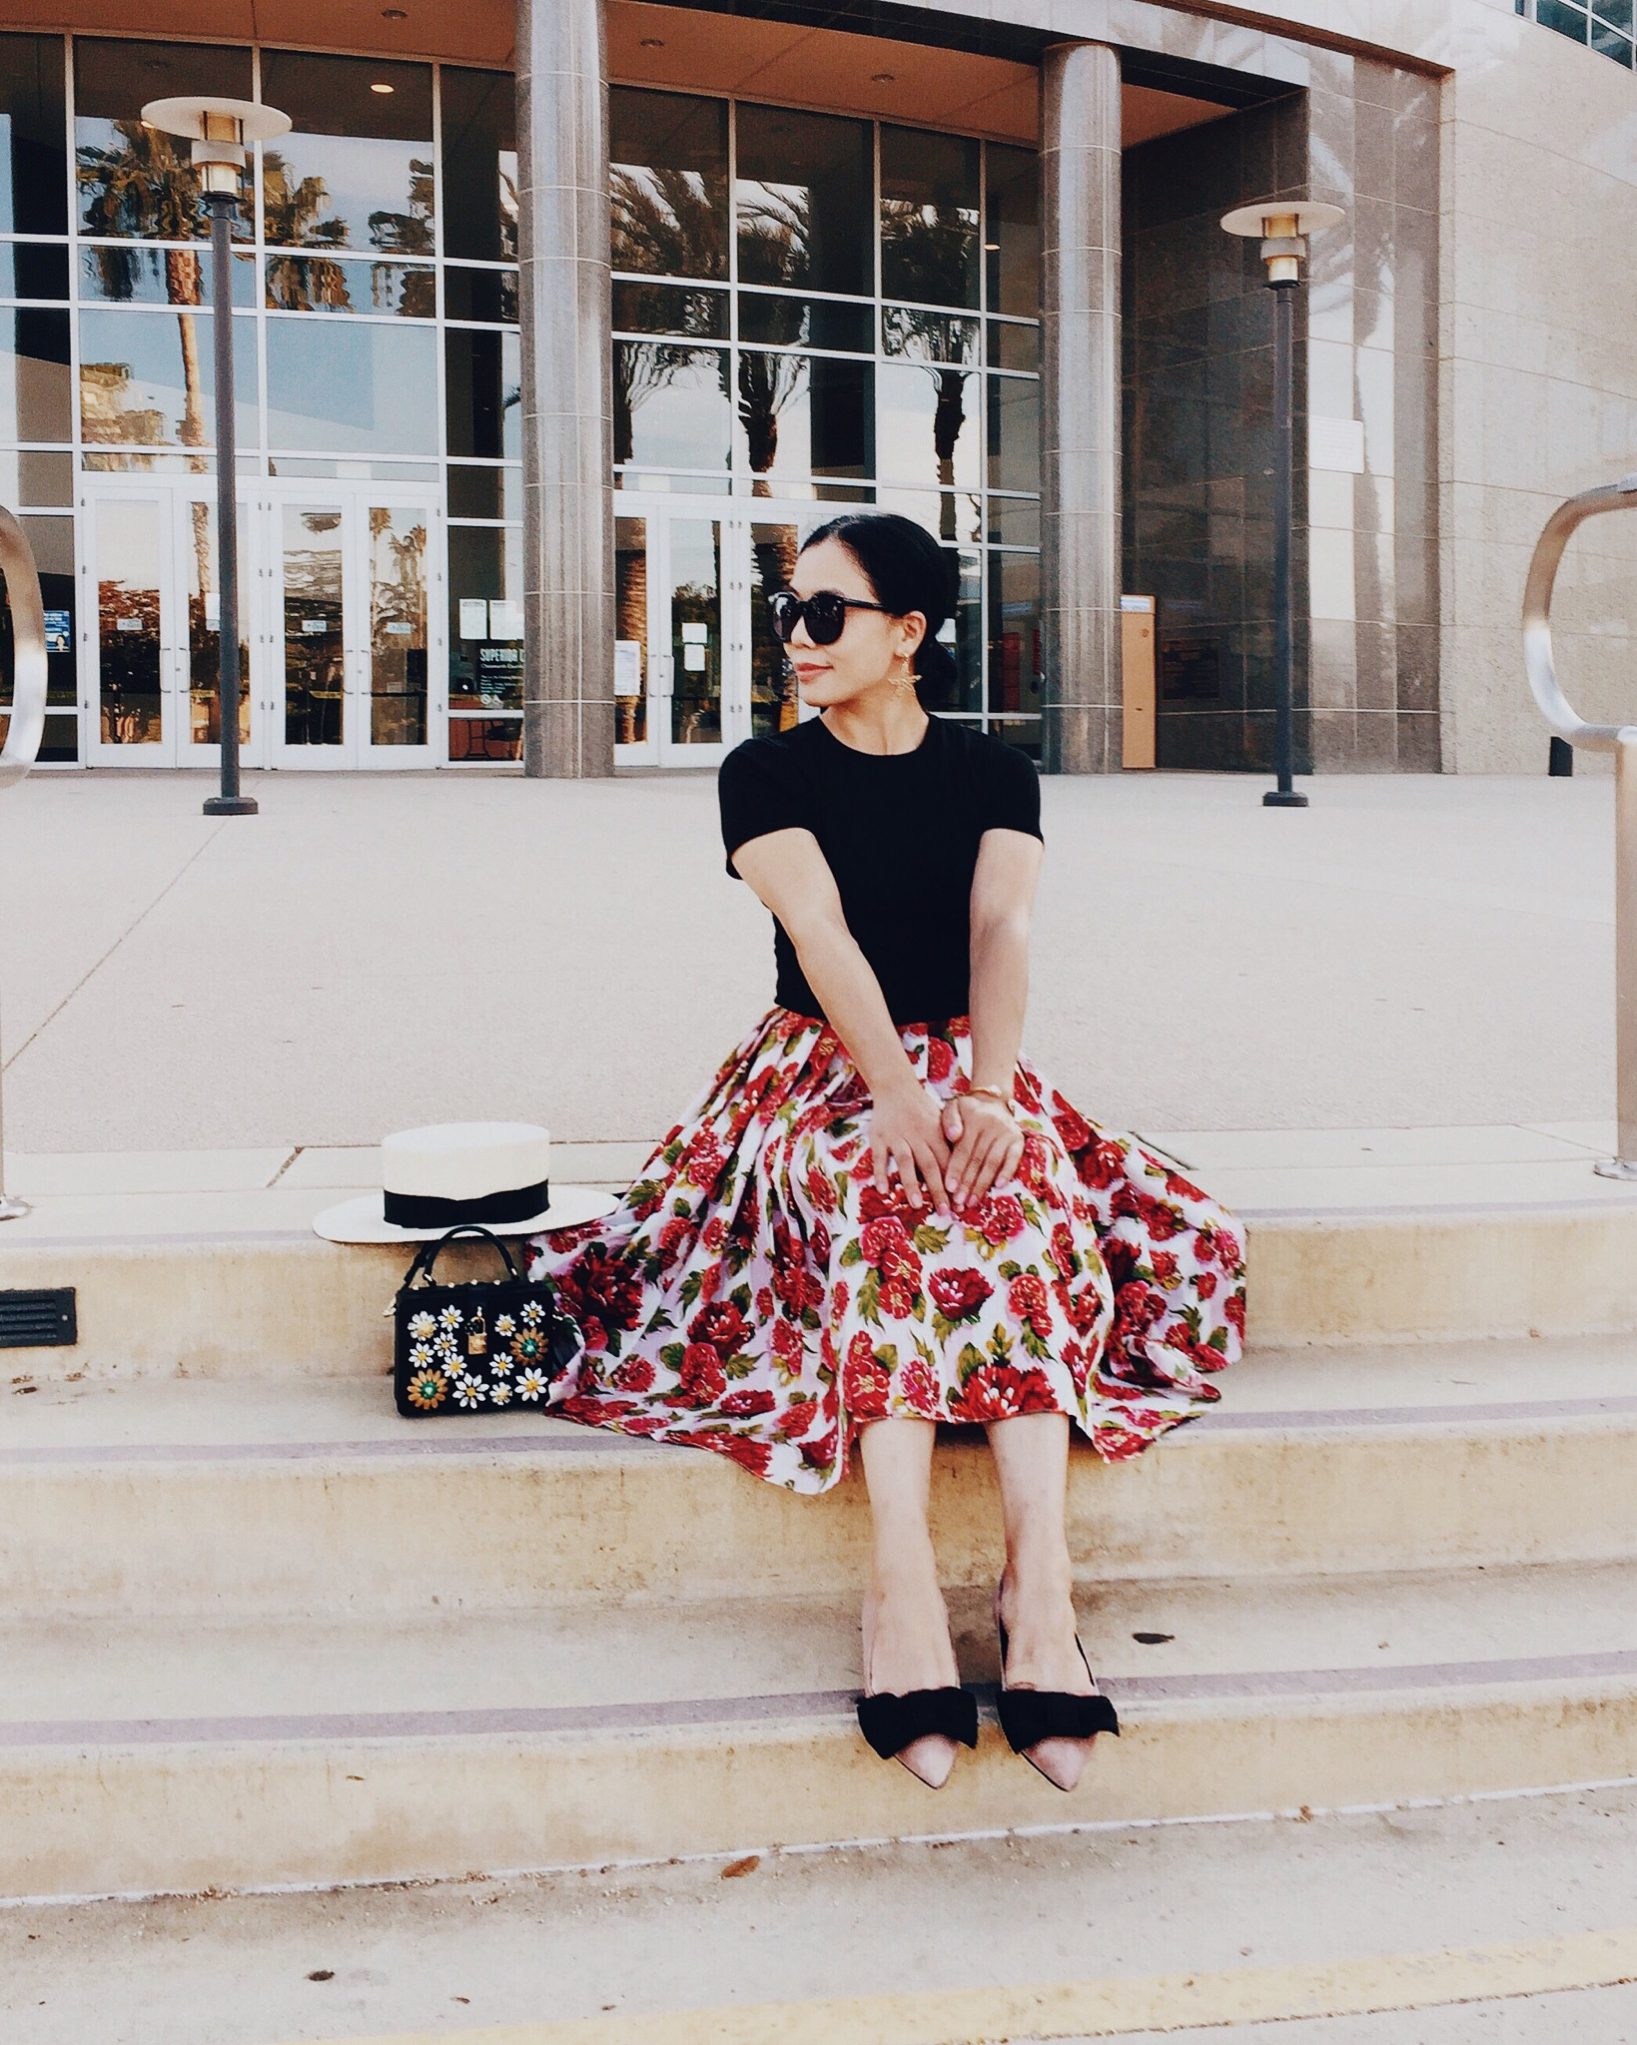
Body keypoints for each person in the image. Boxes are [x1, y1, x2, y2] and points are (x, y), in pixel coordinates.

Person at [527, 511, 1246, 1794]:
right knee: (880, 1188)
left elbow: (1003, 928)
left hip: (976, 1060)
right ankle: (901, 1586)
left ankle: (1039, 1588)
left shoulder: (992, 773)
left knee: (1009, 1186)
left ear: (908, 633)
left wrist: (982, 1089)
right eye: (786, 611)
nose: (795, 638)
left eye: (824, 613)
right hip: (814, 1071)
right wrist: (897, 1096)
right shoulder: (765, 770)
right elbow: (819, 932)